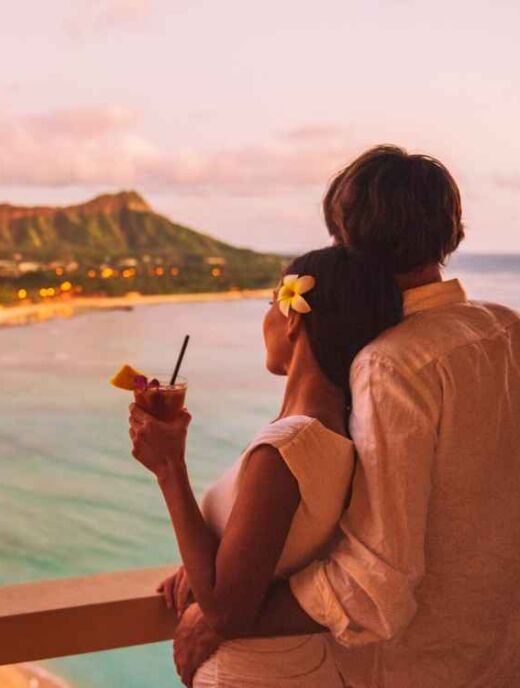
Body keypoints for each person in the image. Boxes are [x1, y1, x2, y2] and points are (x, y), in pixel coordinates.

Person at [164, 145, 520, 687]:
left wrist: (225, 616)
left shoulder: (391, 365)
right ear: (451, 233)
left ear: (345, 240)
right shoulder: (506, 330)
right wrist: (231, 562)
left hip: (413, 669)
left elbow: (377, 581)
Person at [129, 246, 402, 686]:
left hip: (256, 674)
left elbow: (226, 611)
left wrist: (169, 468)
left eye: (269, 303)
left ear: (294, 317)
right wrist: (204, 561)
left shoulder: (285, 448)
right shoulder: (337, 431)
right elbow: (270, 555)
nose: (266, 318)